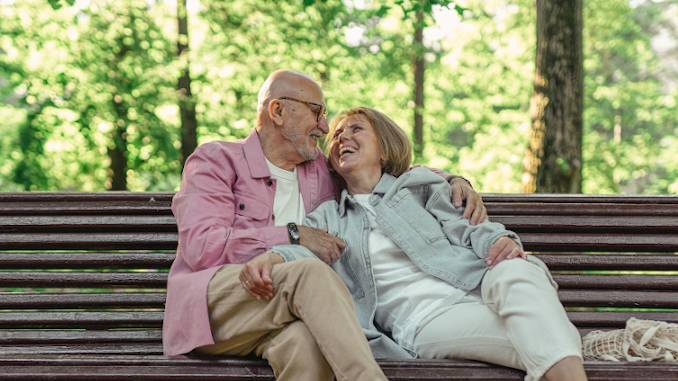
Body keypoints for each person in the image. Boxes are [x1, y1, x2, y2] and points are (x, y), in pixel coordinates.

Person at [162, 70, 486, 381]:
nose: (325, 126)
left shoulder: (320, 170)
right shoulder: (216, 160)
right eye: (317, 112)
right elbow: (202, 246)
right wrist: (293, 234)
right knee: (310, 271)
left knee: (307, 347)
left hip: (285, 311)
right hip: (219, 308)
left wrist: (454, 180)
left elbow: (383, 167)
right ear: (278, 111)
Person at [268, 107, 588, 381]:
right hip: (427, 320)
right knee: (550, 337)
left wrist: (500, 239)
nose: (341, 138)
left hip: (478, 284)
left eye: (356, 129)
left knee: (518, 271)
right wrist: (273, 257)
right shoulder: (327, 217)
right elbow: (300, 253)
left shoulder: (420, 187)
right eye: (336, 135)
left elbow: (467, 228)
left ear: (384, 148)